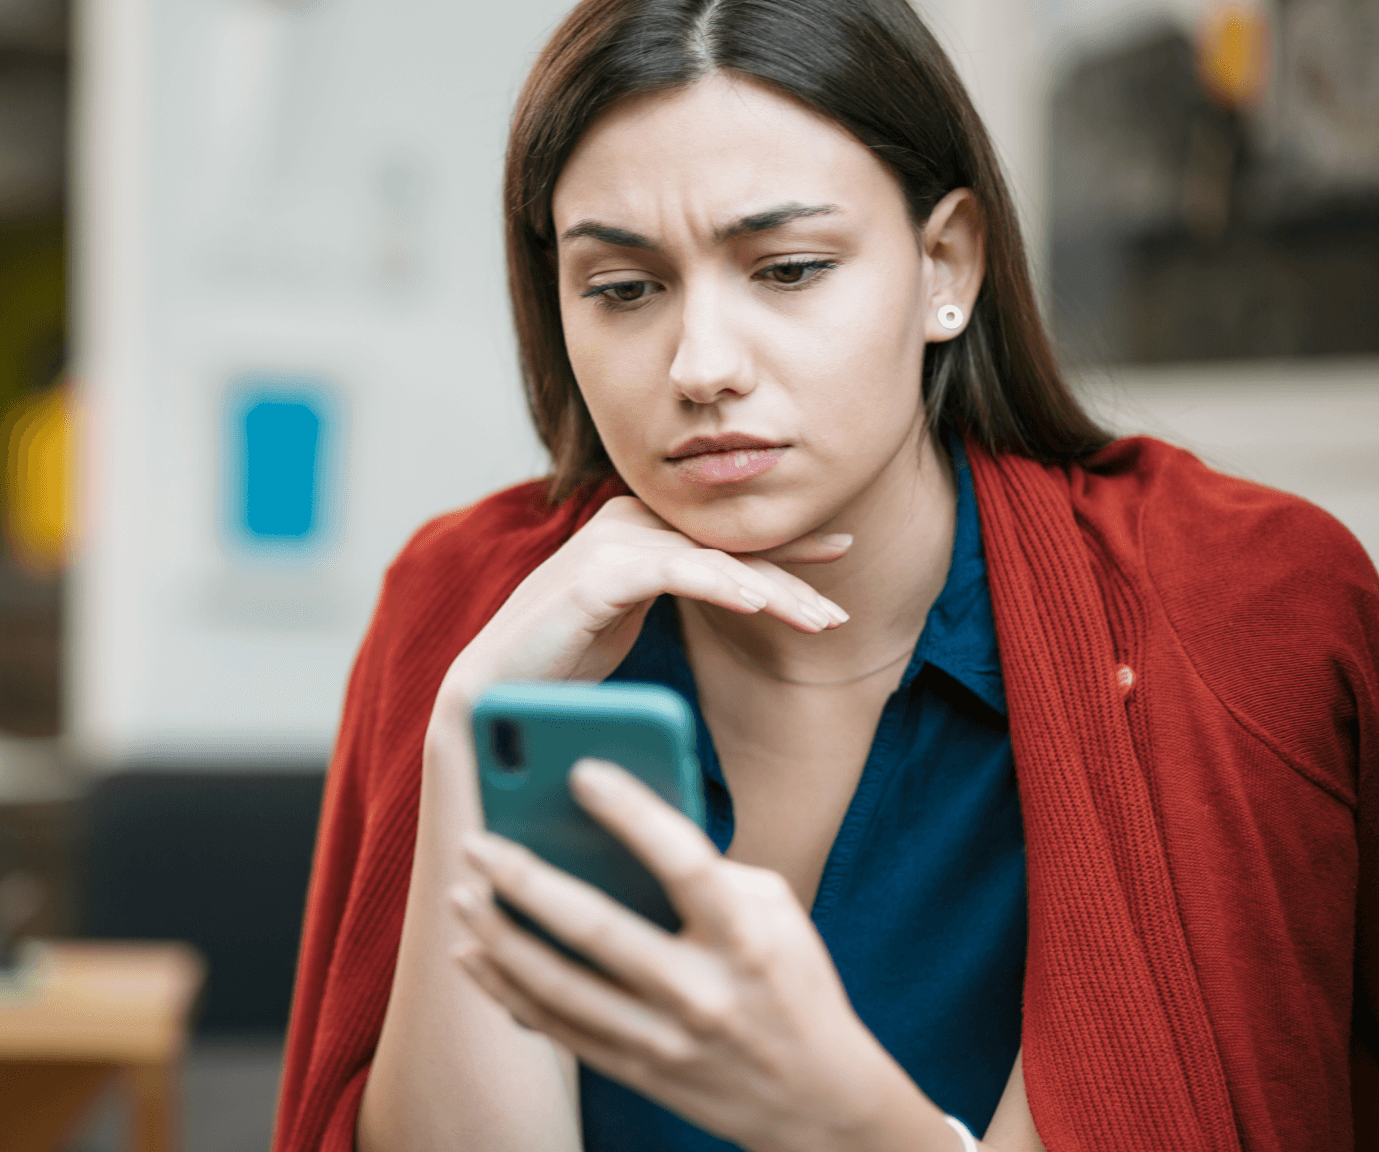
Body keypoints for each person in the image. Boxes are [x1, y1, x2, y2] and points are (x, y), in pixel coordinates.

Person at [274, 1, 1379, 1150]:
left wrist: (841, 1119)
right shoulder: (464, 601)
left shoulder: (1236, 608)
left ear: (945, 264)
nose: (702, 367)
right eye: (622, 288)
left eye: (788, 268)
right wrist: (469, 730)